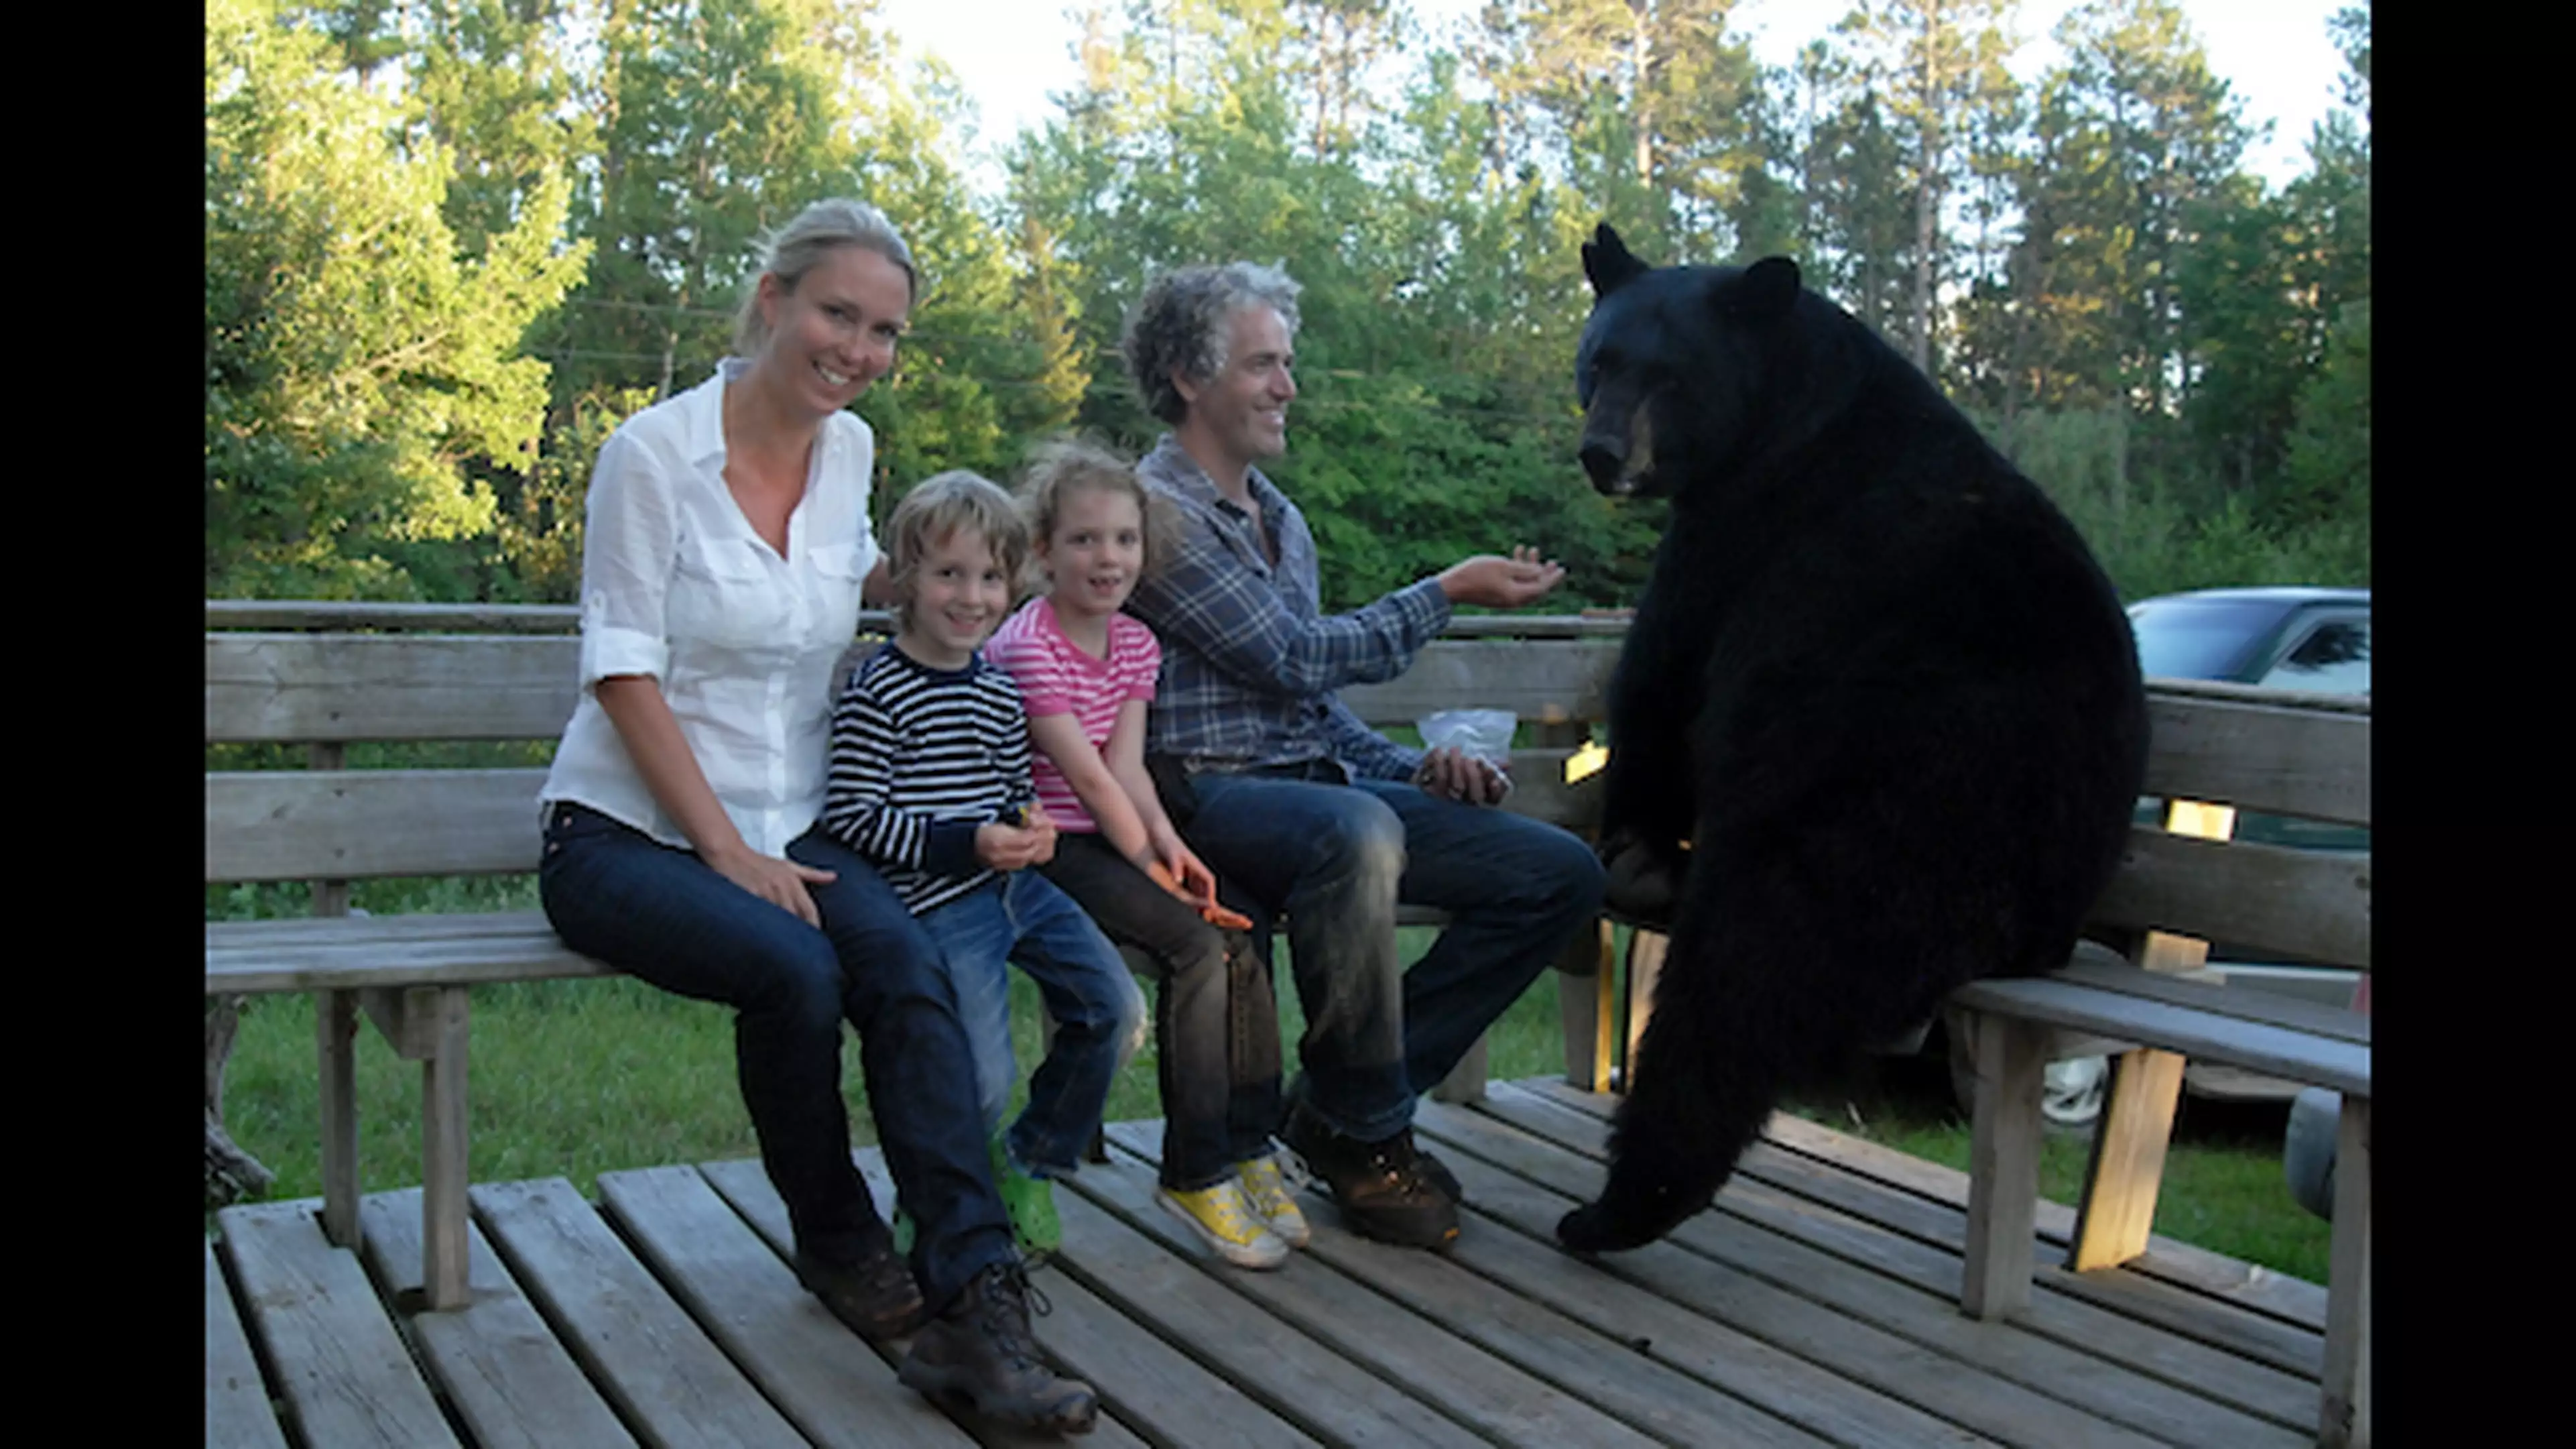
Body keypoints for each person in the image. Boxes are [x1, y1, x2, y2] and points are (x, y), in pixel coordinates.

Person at [535, 198, 1096, 1435]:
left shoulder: (850, 453)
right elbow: (623, 671)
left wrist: (984, 576)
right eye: (838, 313)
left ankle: (974, 1306)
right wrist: (727, 851)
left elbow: (861, 588)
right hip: (623, 833)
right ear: (774, 298)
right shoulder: (652, 455)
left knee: (906, 973)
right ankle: (840, 1241)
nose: (856, 348)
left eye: (883, 329)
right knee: (795, 970)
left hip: (800, 820)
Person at [1119, 262, 1609, 1251]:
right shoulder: (1151, 515)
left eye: (1285, 364)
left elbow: (1310, 706)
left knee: (1554, 871)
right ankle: (1372, 1135)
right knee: (1355, 829)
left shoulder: (1281, 520)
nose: (1286, 387)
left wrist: (1411, 767)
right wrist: (1444, 591)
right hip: (1204, 799)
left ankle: (1342, 1109)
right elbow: (1288, 652)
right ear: (1186, 375)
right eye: (1262, 365)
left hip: (1322, 796)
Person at [985, 437, 1304, 1271]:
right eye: (1085, 539)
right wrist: (1156, 870)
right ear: (1044, 551)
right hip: (1038, 843)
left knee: (1240, 921)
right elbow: (1086, 782)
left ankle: (1246, 1146)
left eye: (1125, 539)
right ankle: (1194, 1170)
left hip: (1105, 829)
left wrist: (1172, 847)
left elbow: (1128, 770)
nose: (1108, 557)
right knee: (1196, 942)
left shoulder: (1133, 644)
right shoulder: (1029, 644)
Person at [820, 469, 1147, 1267]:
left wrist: (1031, 832)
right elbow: (852, 818)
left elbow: (1012, 793)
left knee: (1114, 1011)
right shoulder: (877, 690)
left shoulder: (1000, 690)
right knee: (979, 1077)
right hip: (939, 896)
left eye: (991, 577)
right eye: (948, 574)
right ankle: (936, 1207)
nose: (971, 597)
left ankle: (1027, 1160)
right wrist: (966, 842)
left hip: (1018, 886)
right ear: (905, 580)